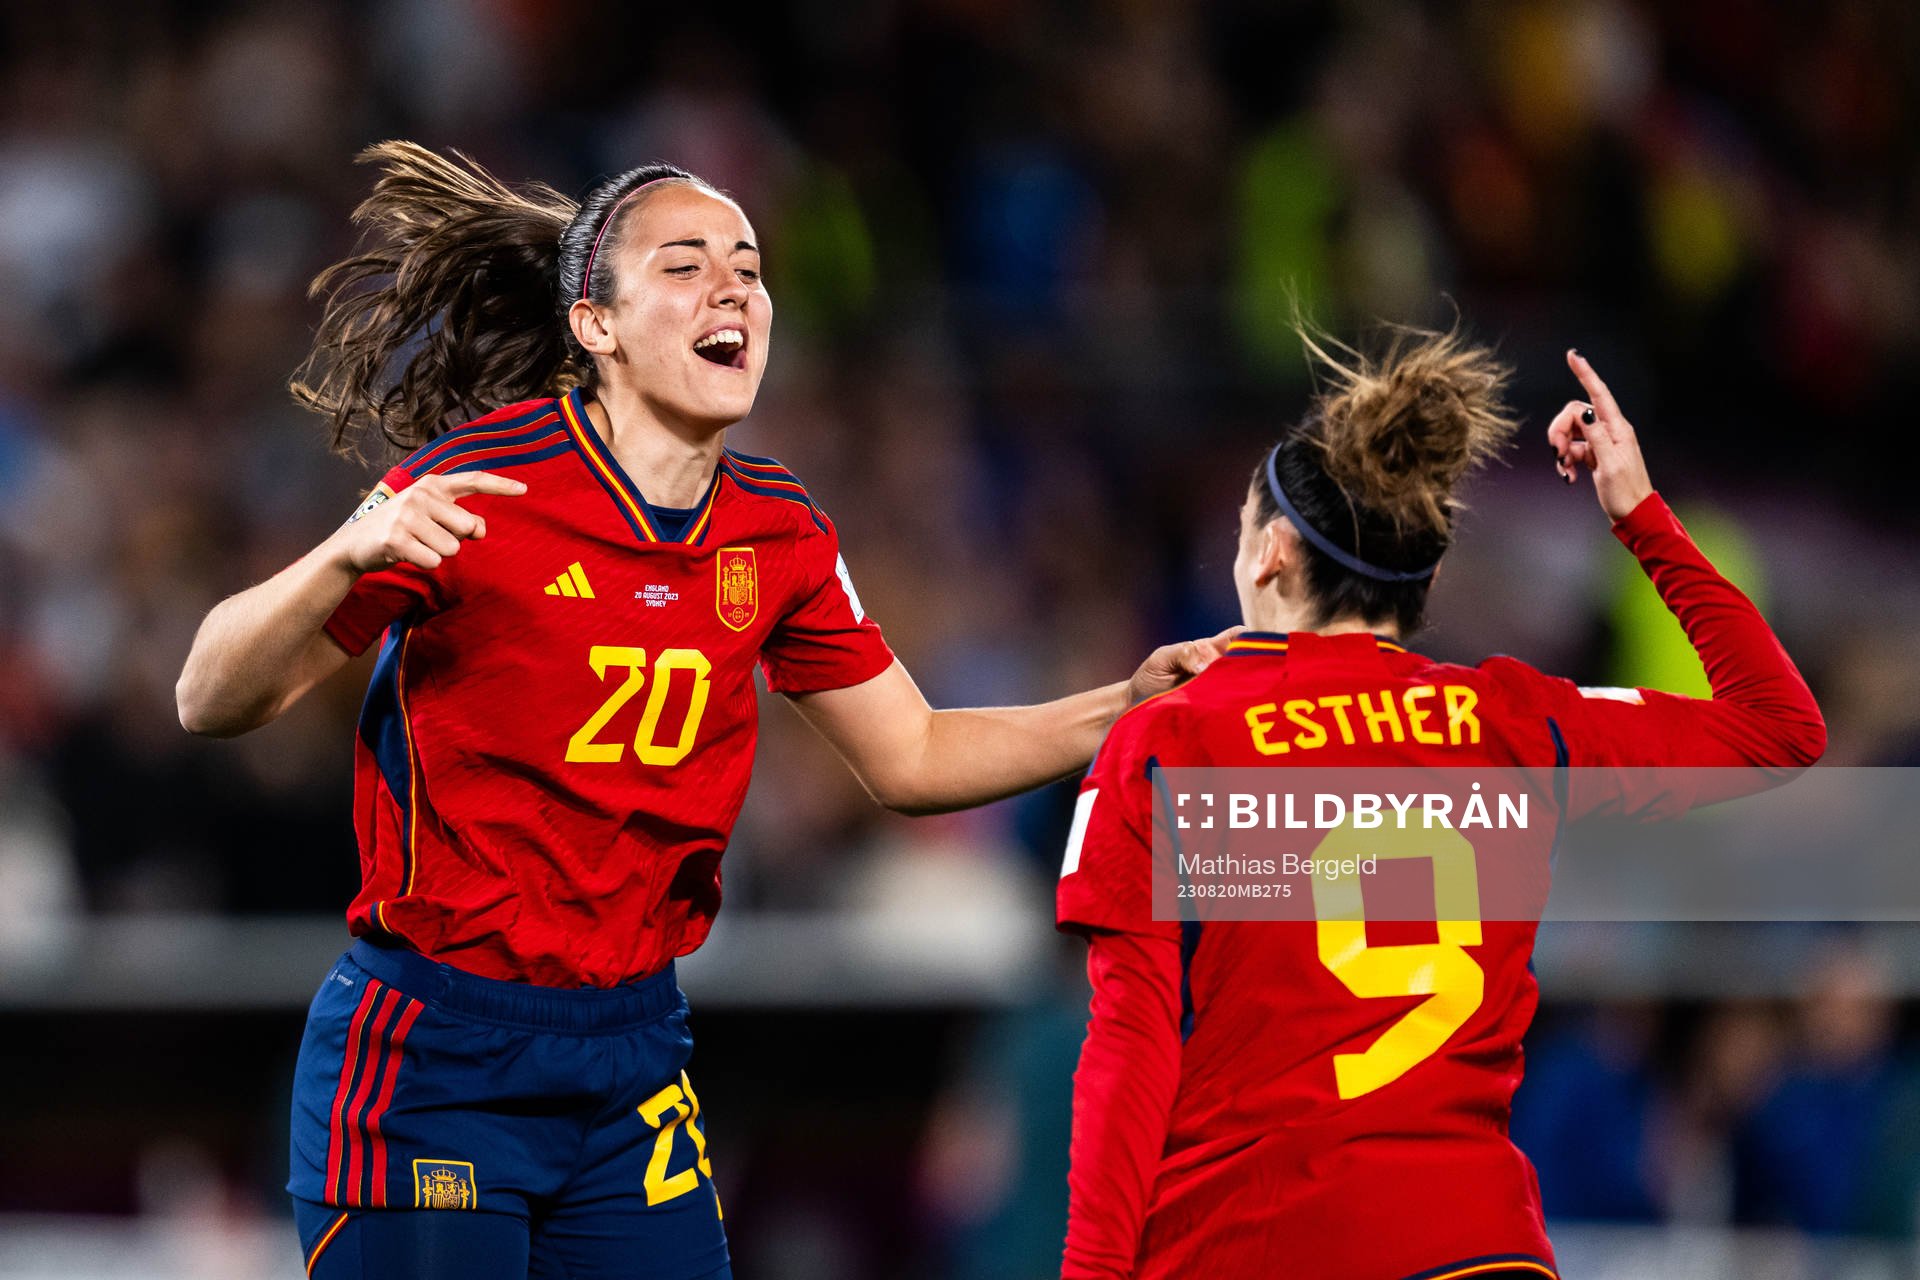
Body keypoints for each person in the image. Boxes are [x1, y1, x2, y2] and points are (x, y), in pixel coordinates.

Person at [173, 143, 1230, 1280]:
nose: (733, 288)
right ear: (598, 325)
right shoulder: (474, 489)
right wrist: (342, 555)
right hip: (438, 1054)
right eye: (686, 266)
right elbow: (209, 695)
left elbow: (914, 752)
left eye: (749, 266)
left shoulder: (780, 533)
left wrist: (1121, 704)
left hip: (632, 1055)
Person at [1054, 331, 1826, 1279]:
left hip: (1259, 1243)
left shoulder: (1174, 740)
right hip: (1480, 1250)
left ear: (1274, 556)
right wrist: (1642, 520)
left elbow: (1129, 1059)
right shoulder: (1511, 720)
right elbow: (1780, 728)